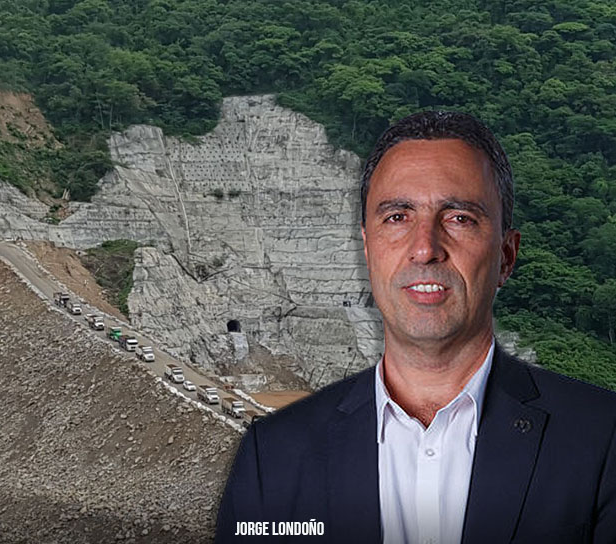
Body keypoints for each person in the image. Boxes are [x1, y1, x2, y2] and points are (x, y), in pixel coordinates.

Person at [215, 111, 616, 543]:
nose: (425, 248)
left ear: (506, 256)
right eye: (397, 217)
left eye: (459, 218)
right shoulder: (272, 456)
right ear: (367, 249)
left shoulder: (603, 440)